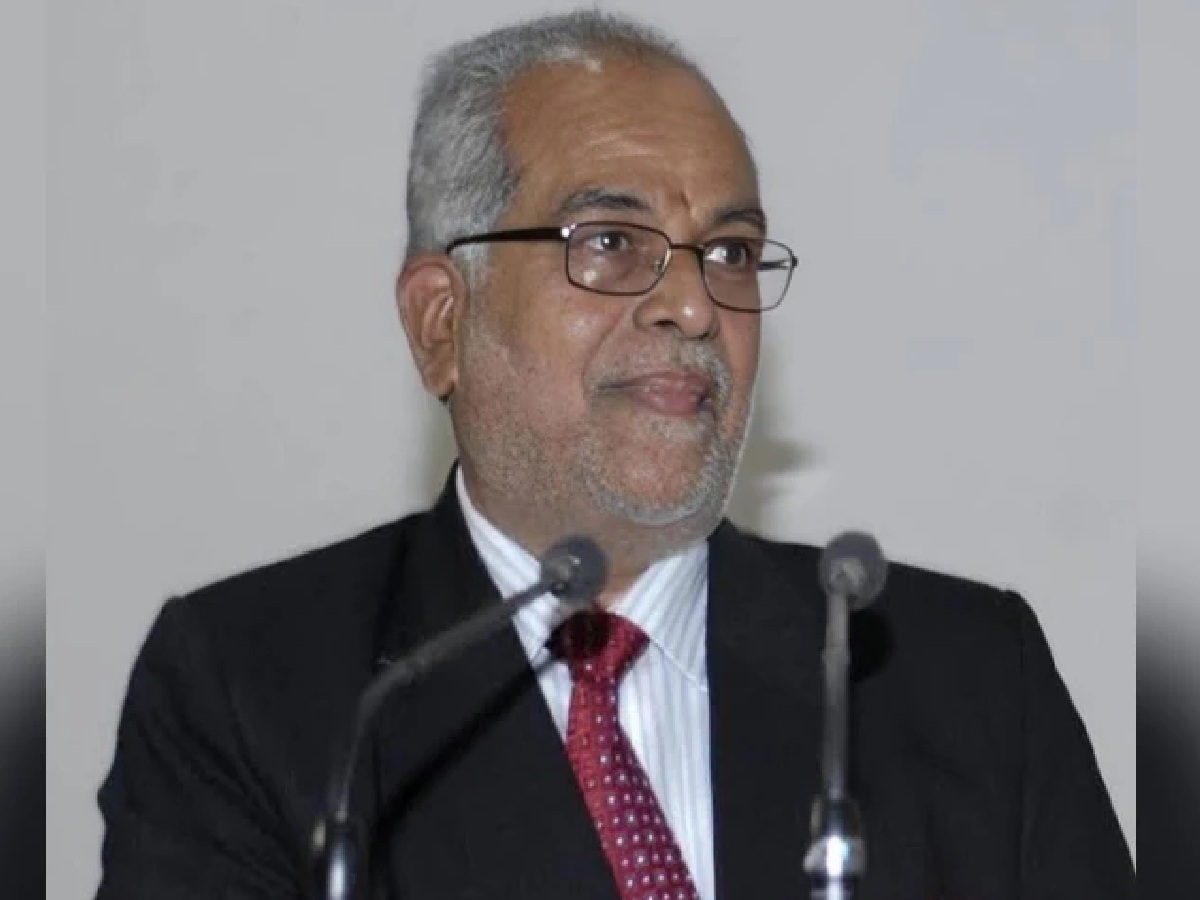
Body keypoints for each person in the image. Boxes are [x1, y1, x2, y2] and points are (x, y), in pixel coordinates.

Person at [95, 10, 1134, 900]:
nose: (692, 304)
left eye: (728, 253)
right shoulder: (257, 693)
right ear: (442, 322)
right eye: (608, 243)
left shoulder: (961, 679)